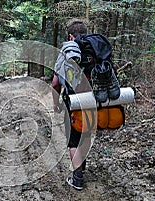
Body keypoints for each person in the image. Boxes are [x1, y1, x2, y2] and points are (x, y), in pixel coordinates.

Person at [51, 19, 94, 190]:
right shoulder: (93, 51)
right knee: (86, 136)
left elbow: (55, 84)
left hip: (74, 103)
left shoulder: (66, 52)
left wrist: (56, 104)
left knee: (73, 140)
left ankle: (77, 178)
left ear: (70, 36)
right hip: (93, 101)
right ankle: (81, 167)